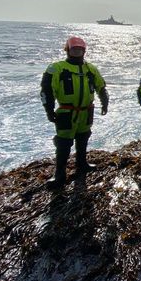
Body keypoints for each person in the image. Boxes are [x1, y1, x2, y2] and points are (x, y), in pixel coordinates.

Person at [40, 36, 109, 189]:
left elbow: (101, 87)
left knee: (83, 137)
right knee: (63, 142)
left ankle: (82, 163)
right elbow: (46, 90)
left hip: (86, 110)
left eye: (80, 50)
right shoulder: (57, 68)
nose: (77, 52)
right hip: (66, 111)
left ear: (84, 51)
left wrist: (105, 102)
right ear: (68, 50)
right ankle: (59, 174)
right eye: (74, 49)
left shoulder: (91, 68)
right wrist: (49, 110)